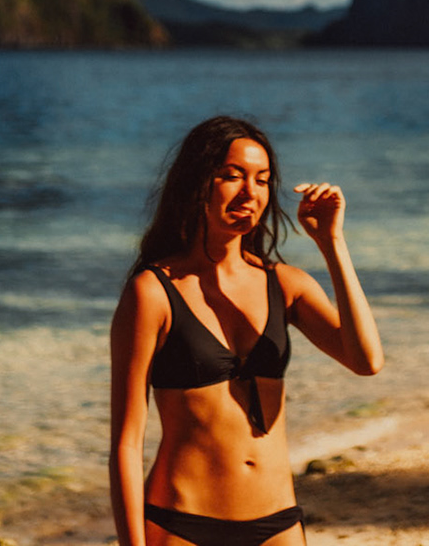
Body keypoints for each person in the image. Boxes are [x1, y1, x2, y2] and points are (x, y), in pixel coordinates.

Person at [110, 115, 385, 546]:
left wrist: (333, 245)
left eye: (262, 180)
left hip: (277, 523)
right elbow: (127, 443)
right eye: (231, 176)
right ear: (197, 184)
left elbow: (367, 361)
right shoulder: (152, 292)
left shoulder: (285, 283)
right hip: (182, 523)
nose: (249, 193)